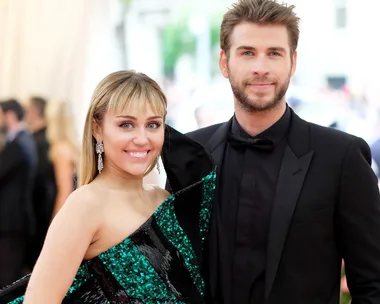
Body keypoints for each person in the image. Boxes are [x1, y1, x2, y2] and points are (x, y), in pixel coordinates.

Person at [183, 0, 380, 303]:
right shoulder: (188, 154)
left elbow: (372, 284)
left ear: (293, 62)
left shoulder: (341, 157)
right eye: (247, 52)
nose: (261, 67)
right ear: (224, 62)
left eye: (274, 53)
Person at [0, 70, 216, 303]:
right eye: (126, 124)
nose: (142, 138)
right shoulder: (85, 205)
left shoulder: (163, 199)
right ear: (97, 129)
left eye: (153, 124)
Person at [0, 99, 37, 288]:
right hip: (13, 221)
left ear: (10, 116)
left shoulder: (19, 144)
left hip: (12, 222)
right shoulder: (21, 140)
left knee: (6, 279)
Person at [25, 96, 56, 270]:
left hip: (44, 206)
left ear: (36, 111)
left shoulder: (46, 140)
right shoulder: (33, 137)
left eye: (27, 109)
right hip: (35, 206)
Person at [45, 100, 80, 217]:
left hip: (63, 212)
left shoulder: (61, 150)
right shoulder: (73, 147)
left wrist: (54, 225)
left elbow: (65, 191)